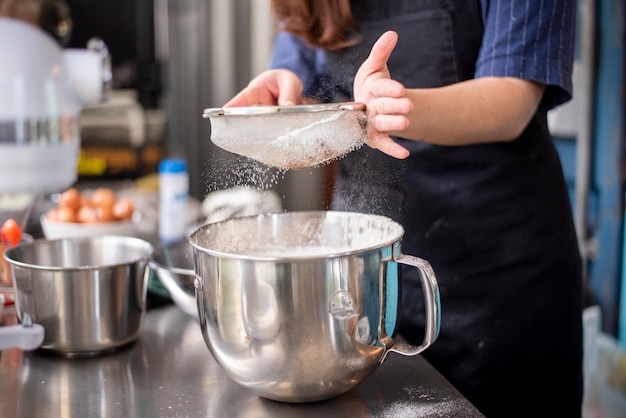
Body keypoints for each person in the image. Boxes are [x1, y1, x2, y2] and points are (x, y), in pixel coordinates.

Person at [225, 1, 583, 417]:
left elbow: (512, 100)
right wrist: (286, 97)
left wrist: (395, 110)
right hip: (364, 275)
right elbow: (308, 88)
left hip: (500, 276)